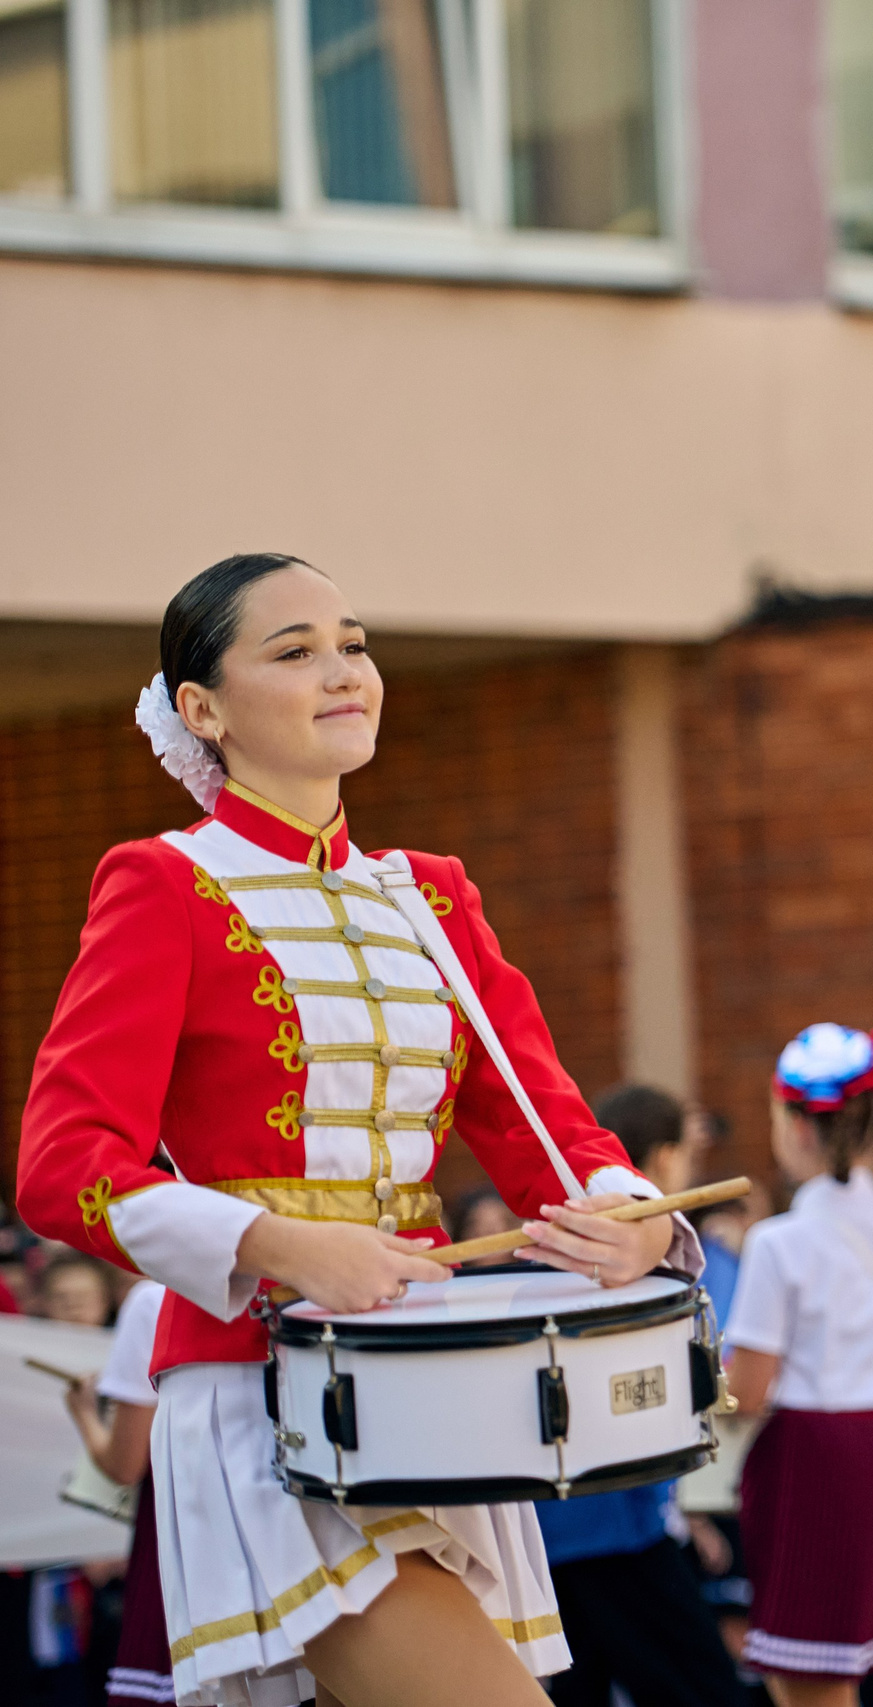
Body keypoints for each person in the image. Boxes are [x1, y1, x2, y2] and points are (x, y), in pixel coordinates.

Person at [14, 553, 689, 1707]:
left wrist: (628, 1217)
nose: (344, 672)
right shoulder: (162, 884)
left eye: (355, 644)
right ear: (202, 709)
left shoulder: (431, 894)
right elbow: (61, 1164)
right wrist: (275, 1244)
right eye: (295, 651)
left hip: (439, 1396)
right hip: (259, 1393)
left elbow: (547, 1128)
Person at [725, 1021, 873, 1706]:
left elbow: (747, 1391)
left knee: (806, 1680)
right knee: (847, 1673)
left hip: (817, 1456)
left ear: (799, 1126)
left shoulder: (778, 1241)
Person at [535, 1084, 742, 1707]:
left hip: (570, 1520)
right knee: (705, 1692)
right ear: (663, 1159)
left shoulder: (572, 1243)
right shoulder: (625, 1256)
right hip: (613, 1517)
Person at [64, 1279, 172, 1706]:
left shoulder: (153, 1301)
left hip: (180, 1525)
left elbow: (124, 1465)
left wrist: (85, 1415)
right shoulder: (279, 1286)